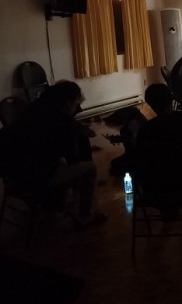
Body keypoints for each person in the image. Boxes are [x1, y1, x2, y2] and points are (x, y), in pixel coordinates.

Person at [1, 81, 106, 227]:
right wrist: (76, 133)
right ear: (68, 103)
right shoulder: (63, 122)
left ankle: (57, 205)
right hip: (33, 180)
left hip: (11, 177)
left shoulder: (32, 109)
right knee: (89, 169)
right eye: (76, 103)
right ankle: (85, 216)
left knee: (57, 161)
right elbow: (73, 159)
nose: (77, 108)